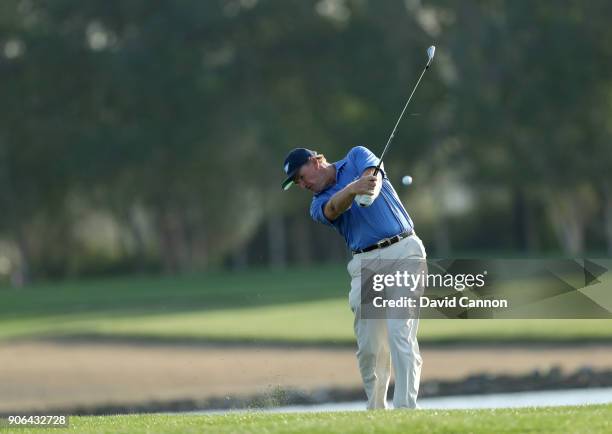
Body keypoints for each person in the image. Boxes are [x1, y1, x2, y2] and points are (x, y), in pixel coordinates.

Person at [281, 146, 427, 410]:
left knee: (399, 333)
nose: (302, 184)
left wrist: (369, 186)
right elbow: (334, 208)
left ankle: (406, 410)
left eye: (300, 177)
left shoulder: (356, 156)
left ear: (315, 161)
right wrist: (352, 189)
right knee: (370, 346)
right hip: (366, 264)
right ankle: (376, 409)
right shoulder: (317, 204)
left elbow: (374, 173)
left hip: (404, 250)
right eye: (296, 183)